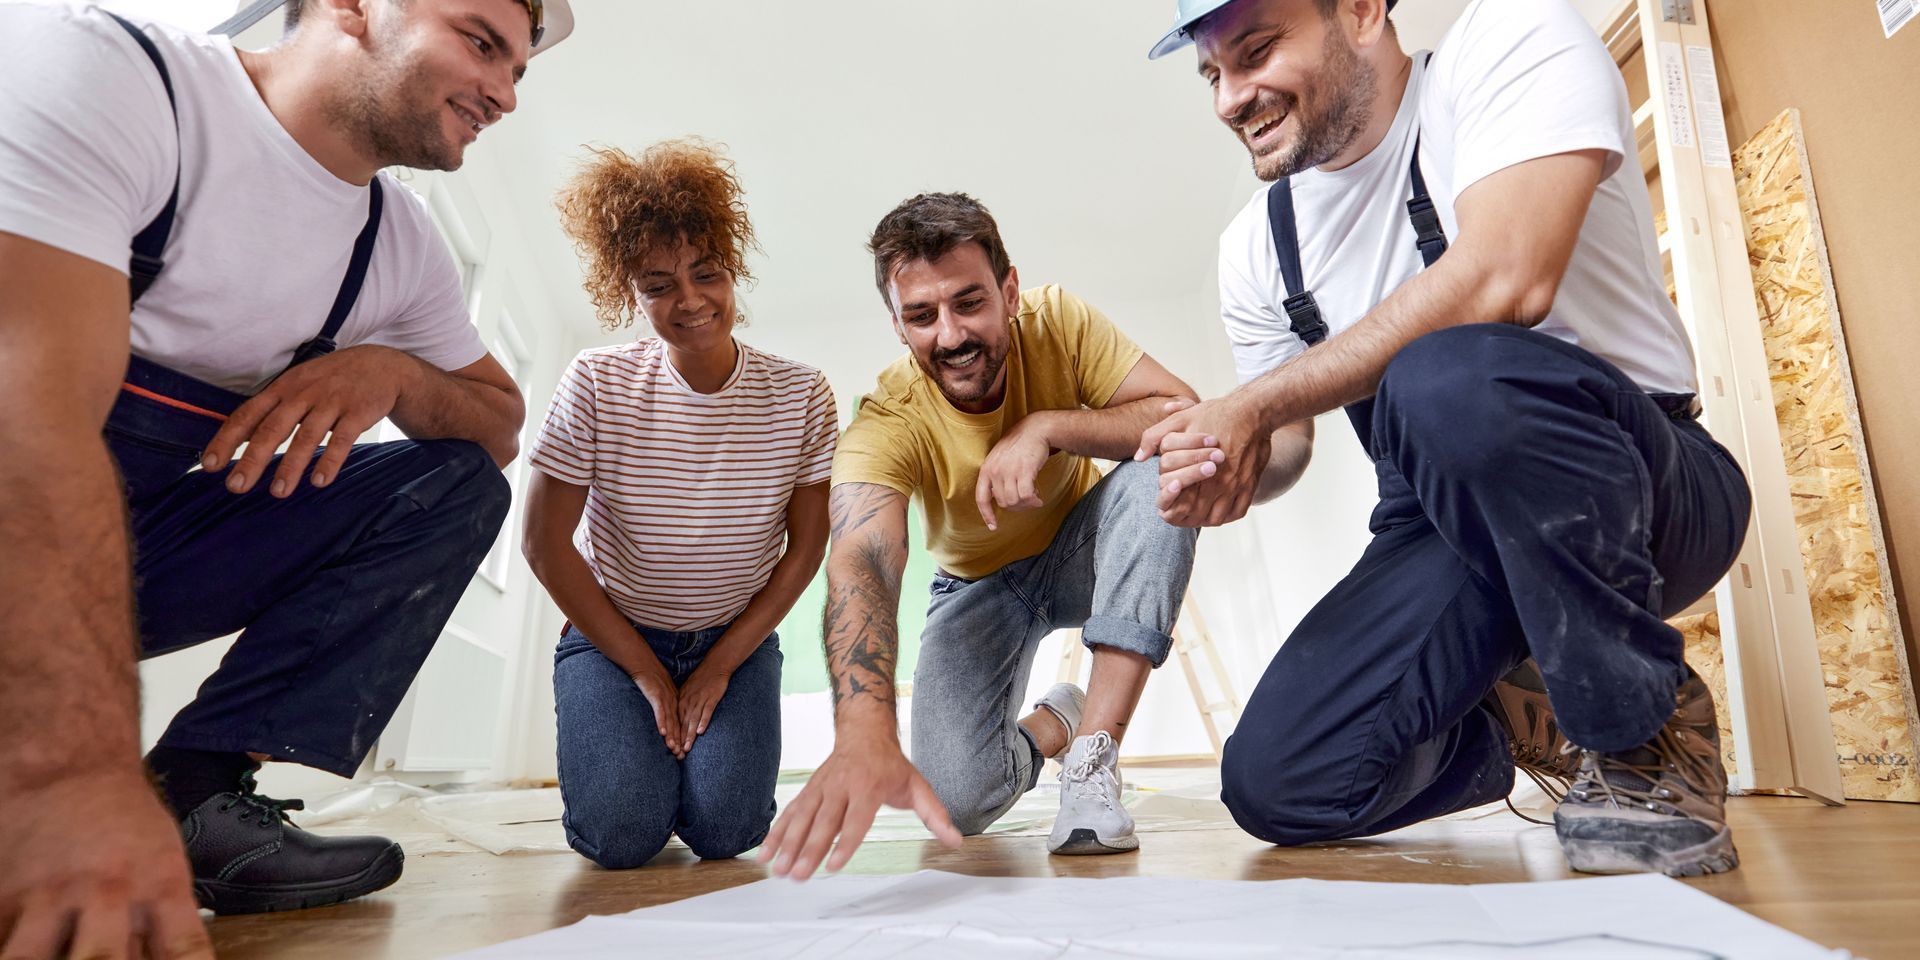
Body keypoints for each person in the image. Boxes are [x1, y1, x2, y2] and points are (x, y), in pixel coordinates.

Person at [0, 0, 573, 938]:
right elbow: (26, 417)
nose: (505, 93)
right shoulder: (121, 78)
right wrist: (68, 776)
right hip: (22, 507)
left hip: (134, 544)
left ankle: (194, 793)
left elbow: (499, 422)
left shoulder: (395, 246)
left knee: (455, 483)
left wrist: (388, 372)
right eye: (481, 43)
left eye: (518, 68)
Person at [1140, 0, 1751, 876]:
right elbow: (1289, 445)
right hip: (1439, 524)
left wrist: (1256, 401)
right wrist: (1225, 466)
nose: (1230, 98)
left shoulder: (1508, 46)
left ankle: (1641, 733)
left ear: (1359, 11)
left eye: (1257, 51)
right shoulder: (1258, 248)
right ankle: (1516, 717)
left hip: (1646, 486)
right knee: (1282, 781)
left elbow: (1509, 274)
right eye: (1212, 74)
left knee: (1446, 377)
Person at [759, 192, 1202, 880]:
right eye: (921, 316)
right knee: (955, 803)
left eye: (969, 303)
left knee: (1168, 466)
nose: (951, 334)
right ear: (899, 328)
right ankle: (1055, 723)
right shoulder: (888, 415)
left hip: (1082, 550)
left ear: (1010, 291)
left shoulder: (1057, 321)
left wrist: (1050, 428)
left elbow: (1183, 412)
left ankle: (1091, 761)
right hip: (977, 588)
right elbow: (863, 559)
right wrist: (862, 725)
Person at [525, 139, 836, 869]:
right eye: (659, 284)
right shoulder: (597, 382)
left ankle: (684, 766)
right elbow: (543, 544)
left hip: (736, 639)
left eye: (707, 272)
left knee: (728, 832)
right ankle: (638, 765)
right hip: (612, 639)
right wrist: (643, 670)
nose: (691, 300)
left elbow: (807, 547)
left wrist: (722, 664)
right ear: (628, 292)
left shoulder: (802, 394)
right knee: (621, 836)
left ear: (733, 268)